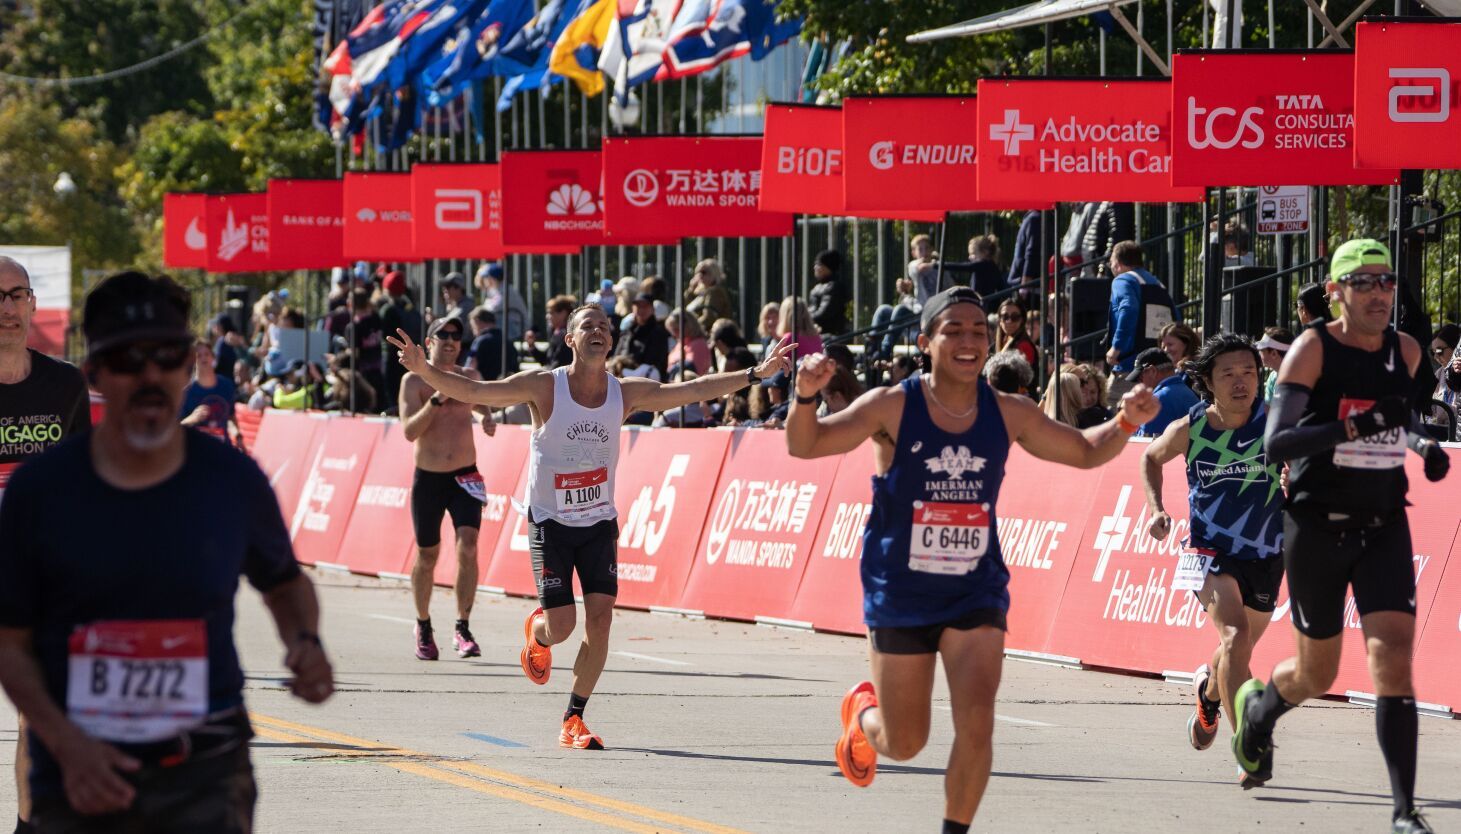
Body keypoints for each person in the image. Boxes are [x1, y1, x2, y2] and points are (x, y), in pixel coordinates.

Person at [784, 286, 1158, 833]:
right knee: (907, 742)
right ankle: (862, 722)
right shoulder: (893, 404)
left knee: (977, 721)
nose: (968, 340)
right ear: (925, 341)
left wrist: (1125, 422)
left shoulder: (1009, 412)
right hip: (900, 589)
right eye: (952, 330)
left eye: (978, 330)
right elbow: (806, 445)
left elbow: (1083, 452)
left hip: (974, 590)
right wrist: (804, 396)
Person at [0, 271, 332, 833]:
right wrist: (65, 745)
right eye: (129, 360)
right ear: (97, 375)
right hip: (78, 769)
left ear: (189, 367)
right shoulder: (41, 492)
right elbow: (10, 643)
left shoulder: (231, 480)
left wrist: (304, 640)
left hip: (204, 769)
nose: (150, 375)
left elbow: (283, 582)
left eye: (167, 356)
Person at [386, 307, 796, 749]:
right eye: (588, 326)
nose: (599, 330)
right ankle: (537, 634)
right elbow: (475, 389)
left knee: (600, 621)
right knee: (561, 627)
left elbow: (691, 388)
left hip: (599, 522)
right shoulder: (545, 386)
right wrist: (425, 370)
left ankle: (573, 717)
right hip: (550, 522)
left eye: (605, 326)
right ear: (569, 339)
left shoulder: (625, 393)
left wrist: (756, 372)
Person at [1232, 240, 1449, 834]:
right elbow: (1277, 444)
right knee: (1317, 675)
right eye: (1364, 283)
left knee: (1392, 660)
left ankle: (1404, 811)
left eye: (1386, 283)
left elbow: (1396, 420)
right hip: (1316, 526)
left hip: (1383, 523)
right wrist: (1354, 425)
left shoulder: (1403, 350)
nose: (1379, 294)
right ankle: (1259, 709)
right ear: (1336, 292)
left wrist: (1424, 447)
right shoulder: (1311, 350)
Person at [1139, 335, 1284, 755]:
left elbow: (1311, 468)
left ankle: (1208, 698)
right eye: (1229, 375)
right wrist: (1157, 508)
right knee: (1236, 636)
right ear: (1208, 380)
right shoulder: (1192, 427)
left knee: (1234, 648)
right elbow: (1150, 457)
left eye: (1249, 373)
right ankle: (1247, 742)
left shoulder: (1276, 422)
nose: (1241, 383)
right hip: (1209, 551)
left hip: (1267, 552)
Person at [0, 256, 91, 834]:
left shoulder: (64, 384)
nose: (6, 309)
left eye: (16, 295)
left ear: (33, 304)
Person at [399, 317, 496, 662]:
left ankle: (463, 626)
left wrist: (486, 415)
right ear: (430, 341)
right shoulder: (413, 381)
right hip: (429, 479)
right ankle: (423, 624)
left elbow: (484, 399)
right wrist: (437, 399)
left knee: (468, 548)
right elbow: (410, 431)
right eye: (445, 335)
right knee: (427, 556)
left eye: (458, 336)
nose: (453, 341)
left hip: (465, 477)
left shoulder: (469, 378)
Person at [1104, 241, 1179, 405]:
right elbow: (1176, 320)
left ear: (1117, 263)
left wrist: (1116, 348)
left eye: (1111, 263)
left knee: (1114, 410)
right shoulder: (1158, 284)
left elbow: (1128, 308)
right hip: (1158, 367)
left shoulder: (1123, 280)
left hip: (1130, 367)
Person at [1125, 347, 1200, 437]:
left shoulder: (1158, 400)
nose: (1139, 383)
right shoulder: (1186, 391)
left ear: (1153, 371)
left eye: (1140, 378)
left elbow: (1145, 443)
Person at [379, 270, 423, 413]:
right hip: (411, 355)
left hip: (392, 357)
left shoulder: (388, 310)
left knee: (392, 392)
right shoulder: (411, 309)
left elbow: (384, 335)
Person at [179, 340, 238, 443]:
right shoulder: (186, 392)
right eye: (199, 356)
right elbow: (175, 429)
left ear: (213, 358)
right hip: (197, 450)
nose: (203, 358)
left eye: (206, 354)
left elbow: (230, 417)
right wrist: (192, 418)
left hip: (221, 448)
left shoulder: (226, 385)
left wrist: (238, 435)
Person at [343, 289, 385, 412]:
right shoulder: (376, 319)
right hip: (379, 371)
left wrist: (339, 356)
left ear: (350, 304)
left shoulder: (353, 327)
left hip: (363, 377)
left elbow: (353, 353)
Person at [613, 293, 670, 380]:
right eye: (638, 306)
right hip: (620, 380)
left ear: (652, 309)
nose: (642, 309)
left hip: (647, 383)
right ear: (633, 308)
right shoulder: (627, 331)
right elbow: (617, 355)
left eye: (645, 306)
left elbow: (653, 363)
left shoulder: (659, 333)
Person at [476, 263, 529, 340]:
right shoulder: (496, 290)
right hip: (510, 328)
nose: (484, 280)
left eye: (486, 277)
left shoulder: (507, 290)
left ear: (492, 278)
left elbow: (491, 309)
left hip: (517, 330)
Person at [466, 308, 519, 381]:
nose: (473, 332)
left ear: (477, 322)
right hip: (506, 387)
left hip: (484, 388)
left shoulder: (478, 342)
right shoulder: (508, 342)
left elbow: (470, 366)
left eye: (473, 327)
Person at [525, 295, 576, 370]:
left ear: (563, 313)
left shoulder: (567, 336)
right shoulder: (556, 333)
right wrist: (531, 345)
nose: (547, 316)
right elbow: (545, 359)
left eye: (551, 313)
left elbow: (559, 364)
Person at [684, 259, 733, 335]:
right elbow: (685, 307)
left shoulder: (715, 291)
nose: (700, 275)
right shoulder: (702, 293)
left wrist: (690, 328)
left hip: (710, 336)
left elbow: (709, 317)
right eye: (697, 272)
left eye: (704, 272)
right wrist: (690, 289)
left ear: (714, 273)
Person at [808, 249, 848, 336]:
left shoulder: (834, 287)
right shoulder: (818, 287)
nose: (815, 267)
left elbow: (824, 314)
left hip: (828, 335)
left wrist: (804, 319)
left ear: (828, 267)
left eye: (819, 264)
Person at [665, 308, 711, 377]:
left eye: (676, 329)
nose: (674, 334)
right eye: (672, 330)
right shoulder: (680, 344)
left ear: (688, 325)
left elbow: (691, 373)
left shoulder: (699, 344)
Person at [993, 300, 1037, 367]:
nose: (1009, 321)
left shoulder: (1024, 346)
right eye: (1005, 317)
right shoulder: (1002, 341)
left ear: (1022, 320)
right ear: (999, 320)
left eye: (1015, 317)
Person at [1255, 327, 1294, 403]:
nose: (1259, 353)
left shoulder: (1301, 376)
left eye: (1261, 350)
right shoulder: (1273, 377)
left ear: (1274, 353)